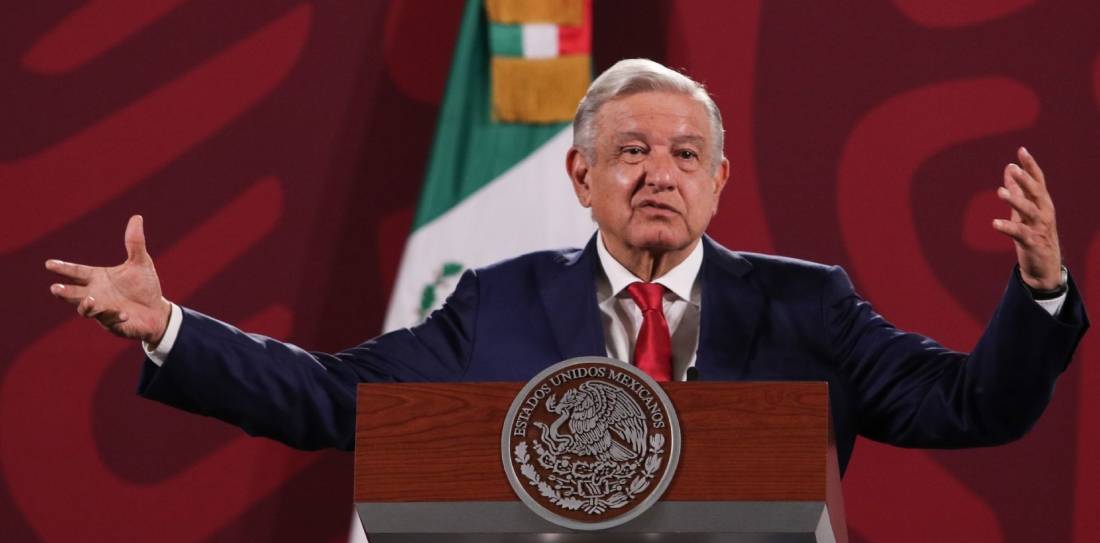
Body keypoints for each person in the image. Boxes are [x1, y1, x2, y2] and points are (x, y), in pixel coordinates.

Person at [46, 59, 1088, 474]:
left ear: (720, 183)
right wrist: (172, 327)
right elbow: (330, 400)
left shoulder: (807, 305)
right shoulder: (500, 302)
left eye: (684, 156)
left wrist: (1038, 291)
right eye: (629, 152)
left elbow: (970, 404)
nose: (657, 175)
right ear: (580, 174)